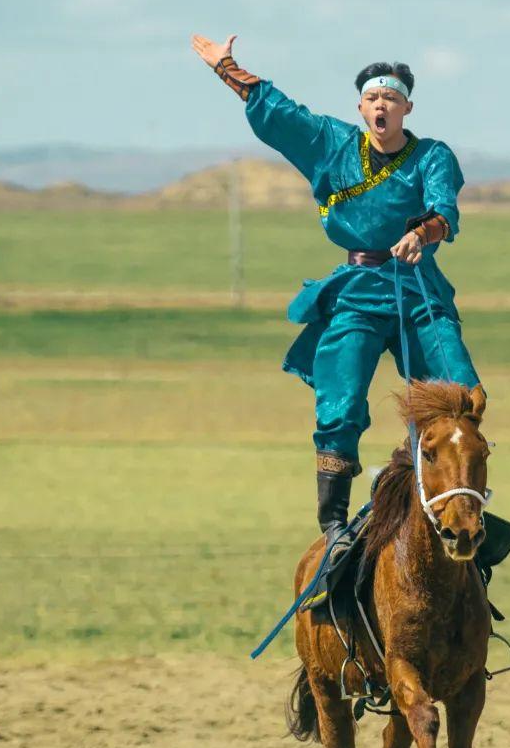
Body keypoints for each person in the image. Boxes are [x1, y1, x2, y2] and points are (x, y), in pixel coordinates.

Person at [190, 34, 483, 567]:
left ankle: (459, 507)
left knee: (462, 399)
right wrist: (226, 68)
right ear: (361, 106)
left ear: (407, 108)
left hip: (419, 291)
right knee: (341, 402)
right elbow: (282, 115)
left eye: (391, 99)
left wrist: (424, 230)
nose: (381, 106)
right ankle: (334, 527)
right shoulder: (333, 144)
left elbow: (445, 211)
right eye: (373, 98)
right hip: (357, 290)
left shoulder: (432, 156)